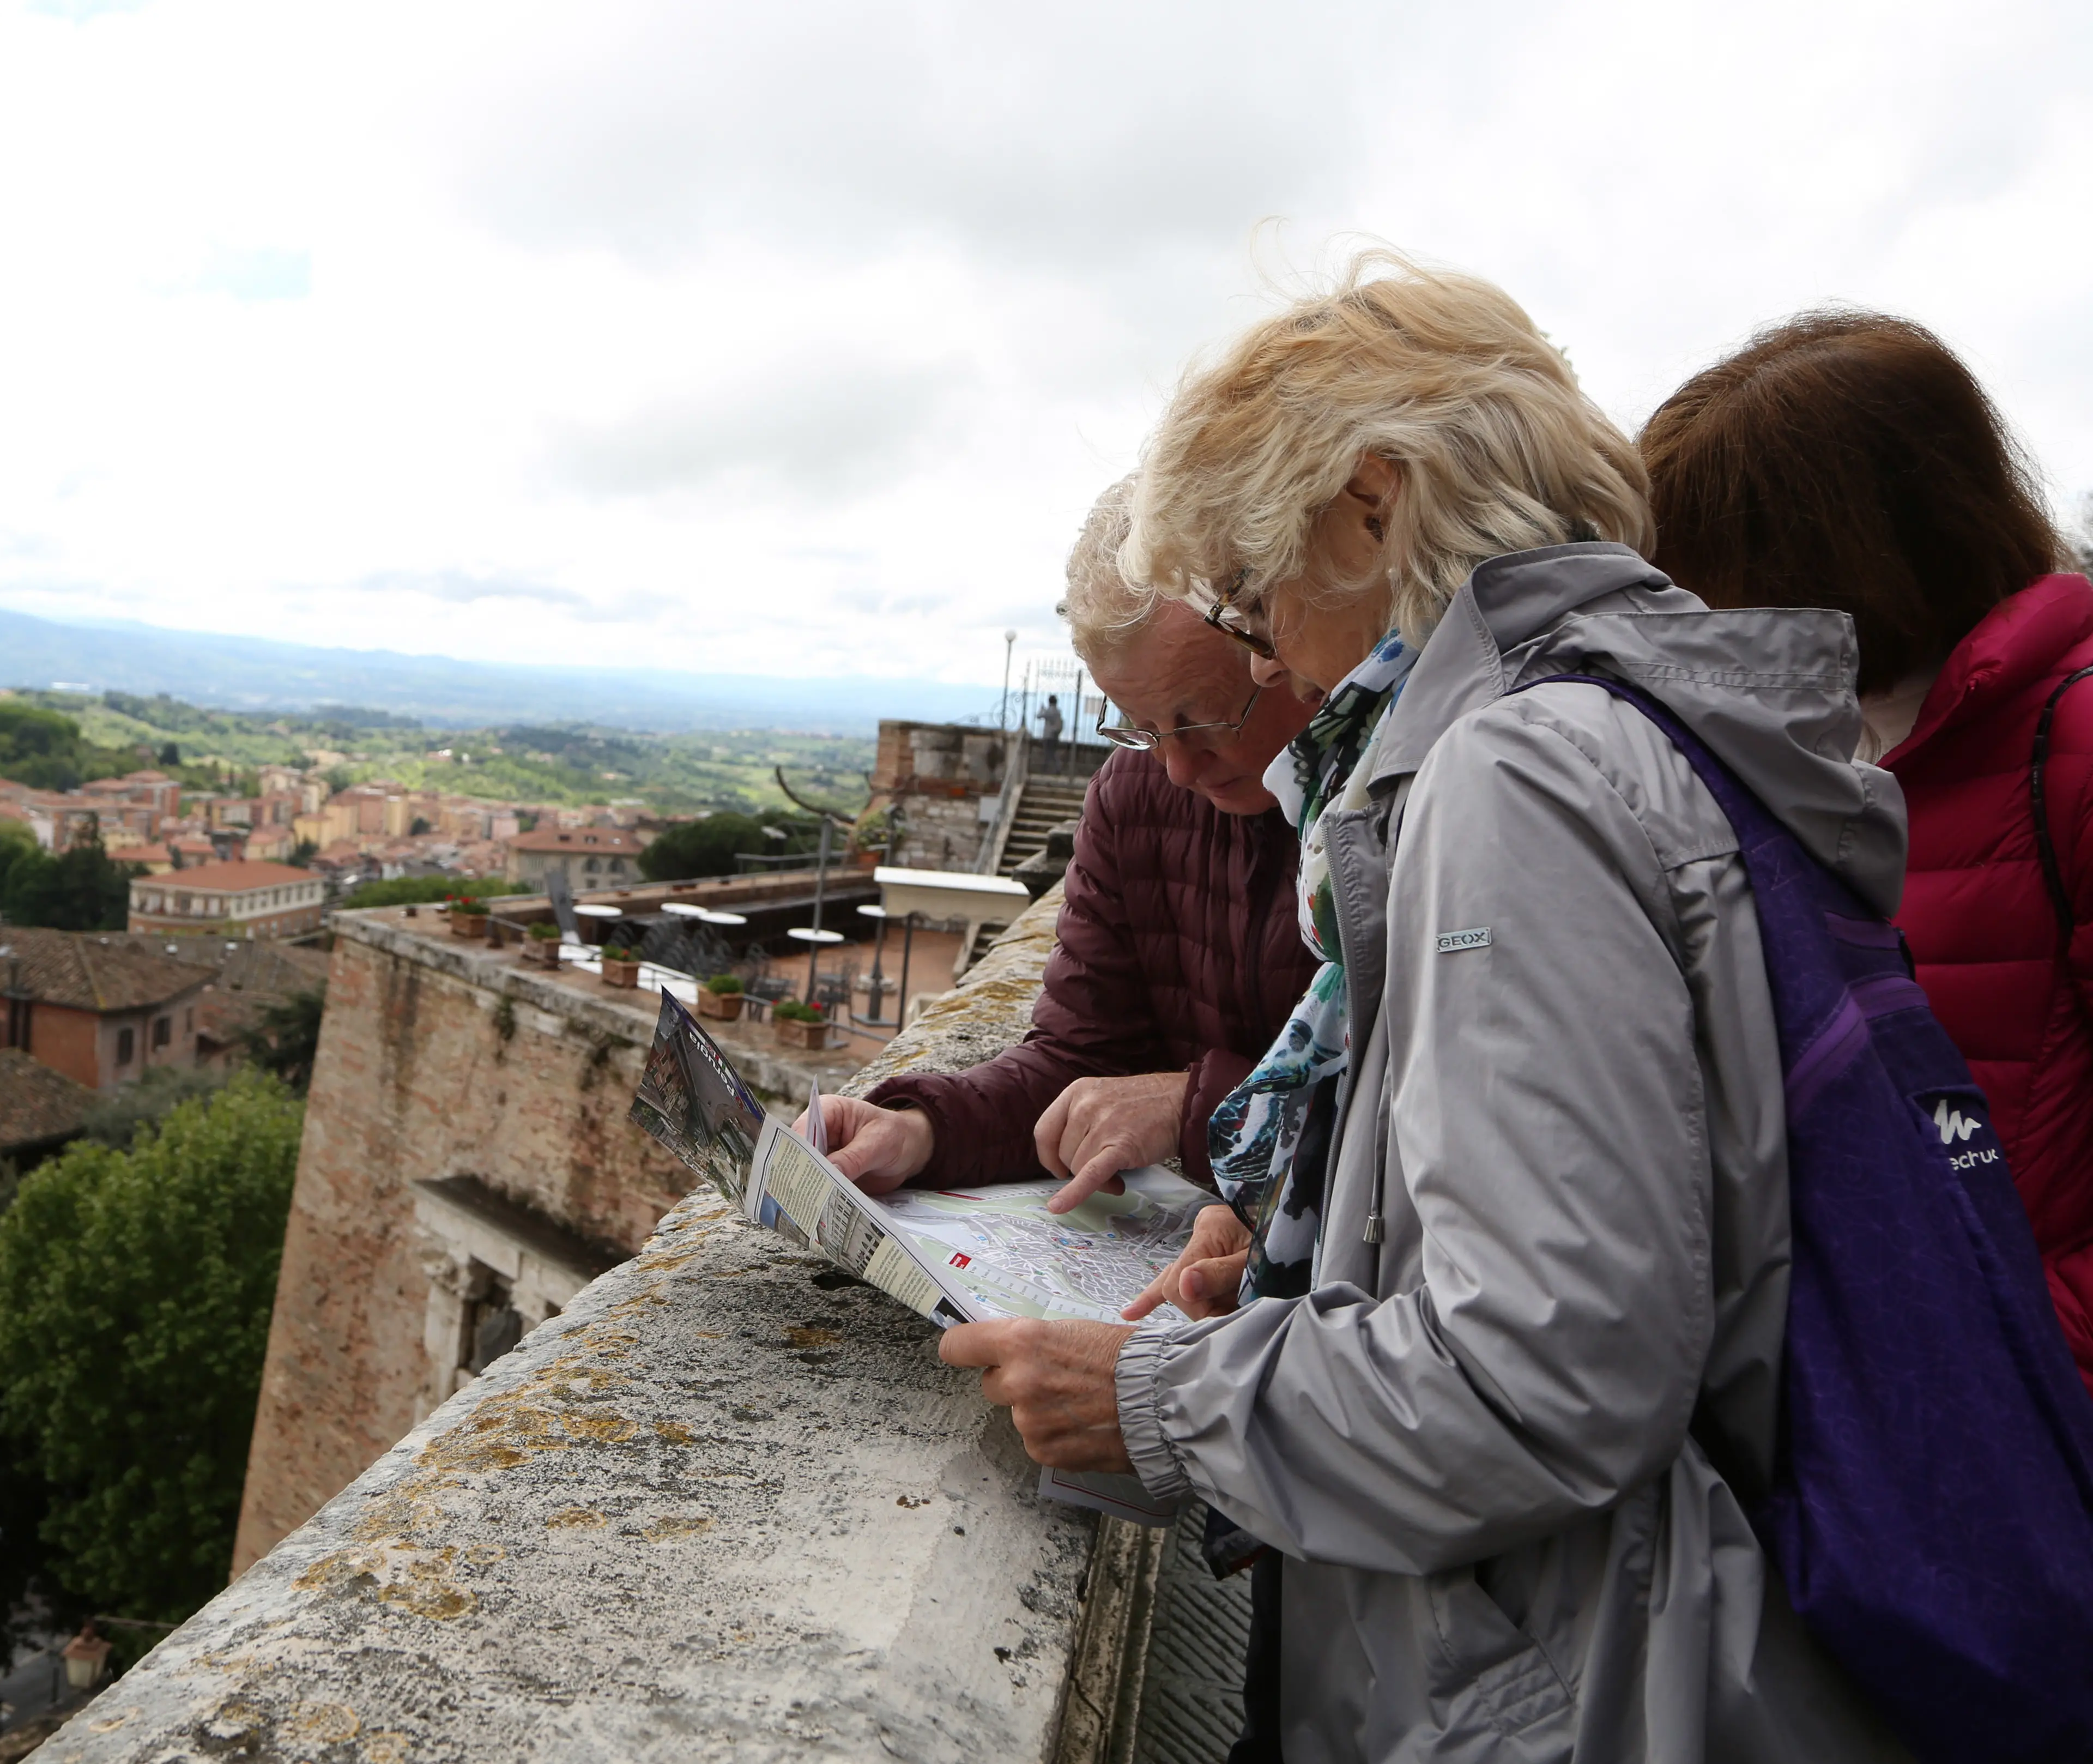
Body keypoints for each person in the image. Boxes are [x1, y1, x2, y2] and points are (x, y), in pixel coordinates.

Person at [940, 257, 1912, 1760]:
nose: (1270, 656)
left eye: (1257, 596)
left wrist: (1161, 1397)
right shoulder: (1659, 716)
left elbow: (1551, 1375)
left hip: (1579, 1688)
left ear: (1373, 505)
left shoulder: (1517, 776)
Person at [1640, 310, 2093, 1397]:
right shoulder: (1829, 762)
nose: (1693, 624)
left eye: (1713, 581)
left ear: (1830, 557)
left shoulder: (2068, 743)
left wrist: (2009, 1369)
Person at [806, 480, 1320, 1222]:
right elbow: (1083, 1061)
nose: (1176, 768)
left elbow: (1418, 1123)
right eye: (1139, 726)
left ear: (1284, 646)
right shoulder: (1134, 795)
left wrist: (1192, 1107)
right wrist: (923, 1128)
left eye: (1201, 717)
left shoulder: (1395, 801)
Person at [1038, 691, 1066, 770]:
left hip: (1048, 736)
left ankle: (1047, 768)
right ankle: (1057, 768)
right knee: (1054, 753)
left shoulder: (1049, 711)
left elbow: (1039, 716)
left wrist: (1042, 709)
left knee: (1048, 753)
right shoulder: (1058, 712)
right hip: (1055, 735)